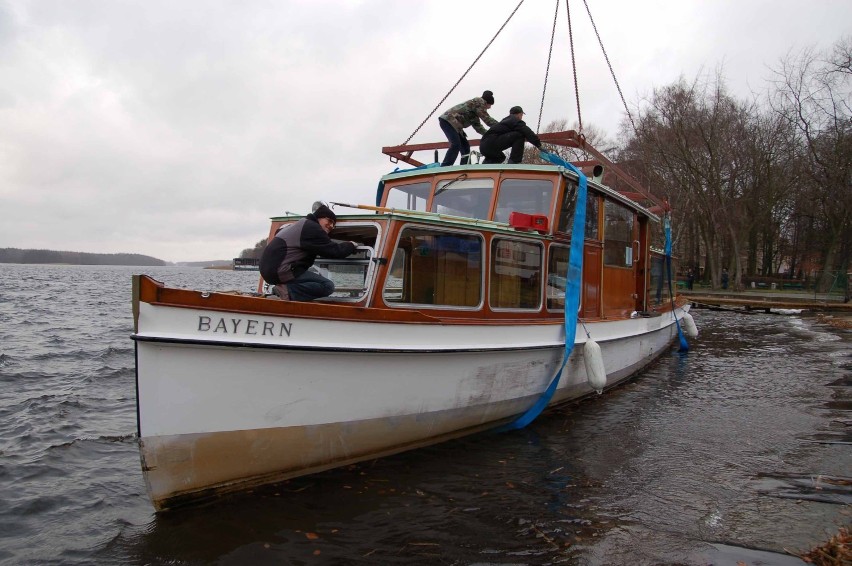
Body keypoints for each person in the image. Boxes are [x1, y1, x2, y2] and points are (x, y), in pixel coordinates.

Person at [259, 204, 357, 302]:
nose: (331, 226)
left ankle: (282, 292)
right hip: (281, 270)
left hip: (268, 271)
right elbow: (334, 251)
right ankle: (284, 292)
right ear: (319, 217)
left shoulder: (299, 225)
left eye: (333, 225)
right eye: (329, 221)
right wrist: (351, 245)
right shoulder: (312, 227)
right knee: (327, 286)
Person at [438, 90, 498, 166]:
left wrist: (489, 134)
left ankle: (464, 166)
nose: (490, 107)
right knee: (456, 144)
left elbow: (478, 127)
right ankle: (446, 166)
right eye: (490, 105)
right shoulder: (479, 102)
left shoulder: (474, 111)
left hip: (455, 125)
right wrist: (501, 126)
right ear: (487, 102)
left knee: (465, 147)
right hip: (449, 120)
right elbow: (487, 119)